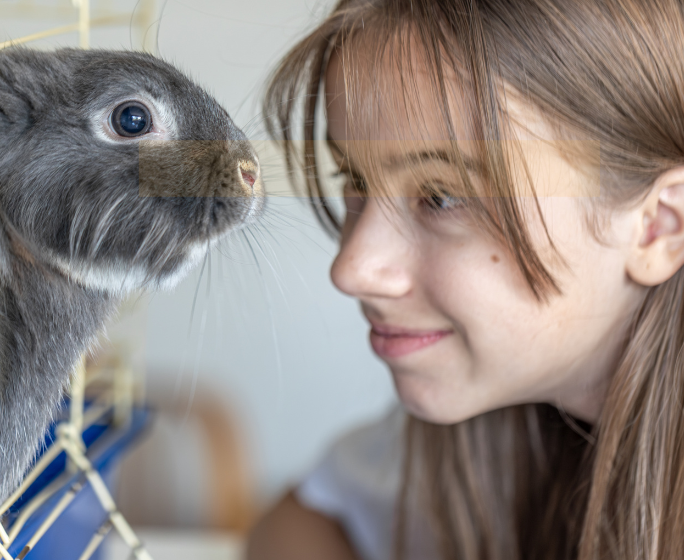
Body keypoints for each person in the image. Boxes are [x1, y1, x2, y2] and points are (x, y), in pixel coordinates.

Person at [246, 1, 684, 559]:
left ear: (658, 227)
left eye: (442, 196)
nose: (352, 269)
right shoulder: (489, 427)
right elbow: (296, 523)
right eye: (353, 177)